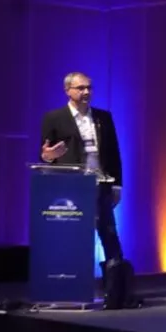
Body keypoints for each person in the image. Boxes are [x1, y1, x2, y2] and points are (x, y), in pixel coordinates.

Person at [38, 72, 123, 264]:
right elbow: (44, 155)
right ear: (67, 91)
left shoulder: (103, 117)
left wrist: (117, 185)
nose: (86, 92)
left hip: (100, 184)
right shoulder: (54, 118)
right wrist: (49, 155)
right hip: (70, 186)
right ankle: (70, 275)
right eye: (81, 88)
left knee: (109, 232)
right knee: (71, 234)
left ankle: (115, 278)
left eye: (89, 88)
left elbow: (114, 153)